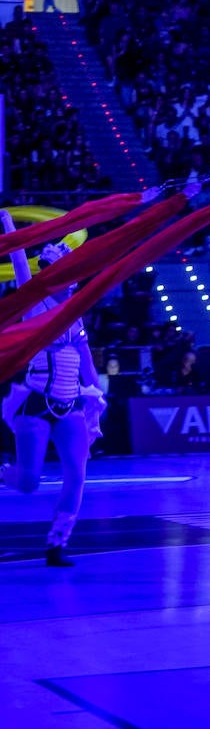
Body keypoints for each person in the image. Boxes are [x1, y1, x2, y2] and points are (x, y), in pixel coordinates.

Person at [1, 214, 104, 567]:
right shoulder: (34, 304)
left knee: (77, 474)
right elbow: (18, 263)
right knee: (28, 482)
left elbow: (85, 358)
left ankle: (57, 543)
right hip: (36, 402)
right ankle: (2, 471)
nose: (72, 281)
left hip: (70, 404)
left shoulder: (75, 315)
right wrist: (9, 226)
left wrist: (97, 388)